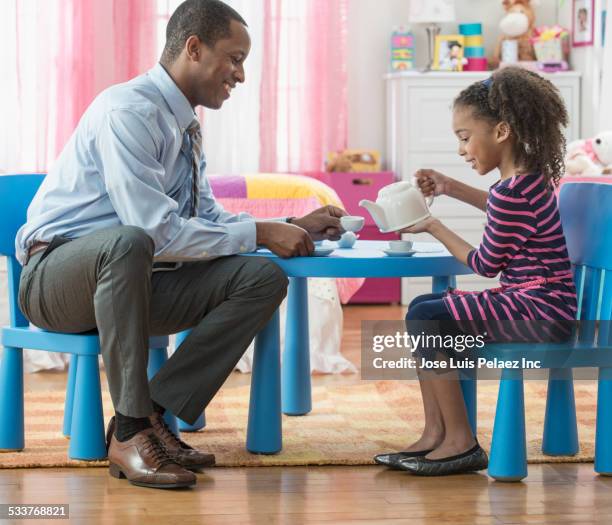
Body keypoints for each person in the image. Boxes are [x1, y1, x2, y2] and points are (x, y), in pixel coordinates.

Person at [16, 0, 345, 489]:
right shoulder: (128, 111)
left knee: (261, 277)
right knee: (127, 242)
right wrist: (260, 232)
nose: (240, 75)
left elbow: (206, 219)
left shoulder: (185, 125)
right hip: (56, 281)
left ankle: (145, 417)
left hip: (132, 285)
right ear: (194, 48)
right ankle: (129, 431)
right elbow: (151, 231)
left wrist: (289, 223)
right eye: (234, 58)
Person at [373, 67, 577, 476]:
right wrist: (449, 186)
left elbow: (485, 265)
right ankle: (435, 435)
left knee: (427, 314)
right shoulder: (527, 183)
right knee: (425, 307)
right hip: (544, 304)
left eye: (465, 138)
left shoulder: (512, 193)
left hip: (539, 312)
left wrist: (432, 223)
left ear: (501, 131)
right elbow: (502, 210)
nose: (463, 150)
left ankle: (459, 442)